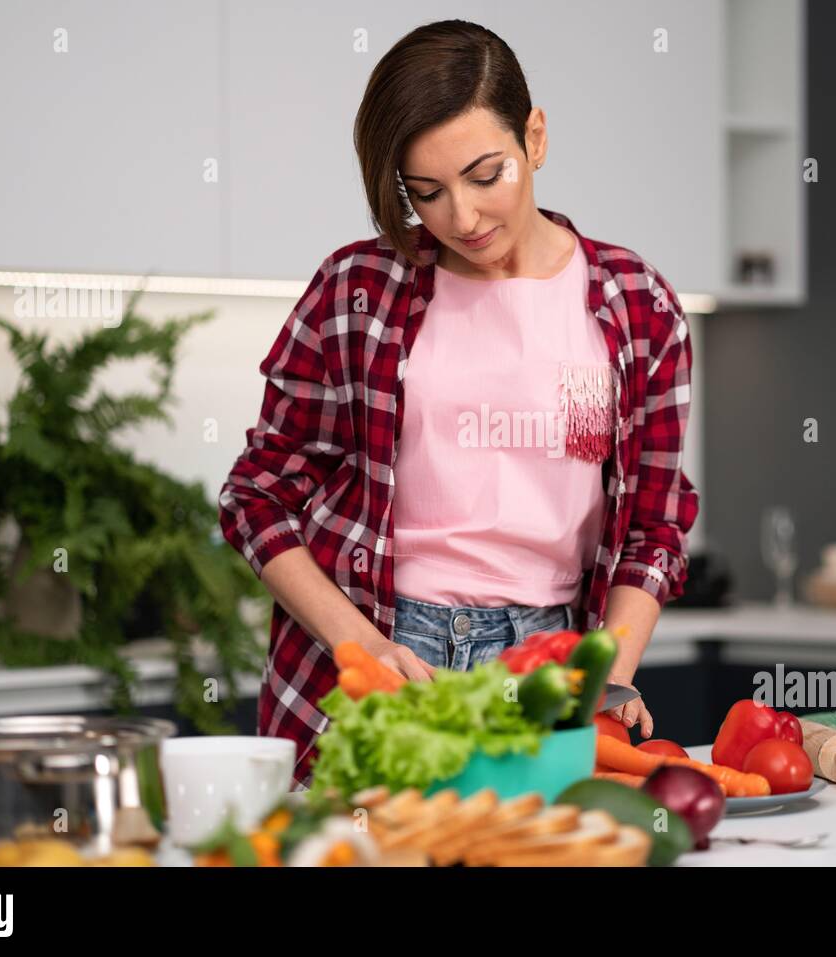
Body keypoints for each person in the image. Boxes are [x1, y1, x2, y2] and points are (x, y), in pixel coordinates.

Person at [219, 19, 698, 787]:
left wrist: (609, 670)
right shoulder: (357, 290)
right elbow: (255, 496)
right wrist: (358, 644)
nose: (463, 219)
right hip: (377, 654)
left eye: (486, 175)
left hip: (545, 664)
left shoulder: (635, 306)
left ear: (534, 137)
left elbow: (654, 524)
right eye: (427, 192)